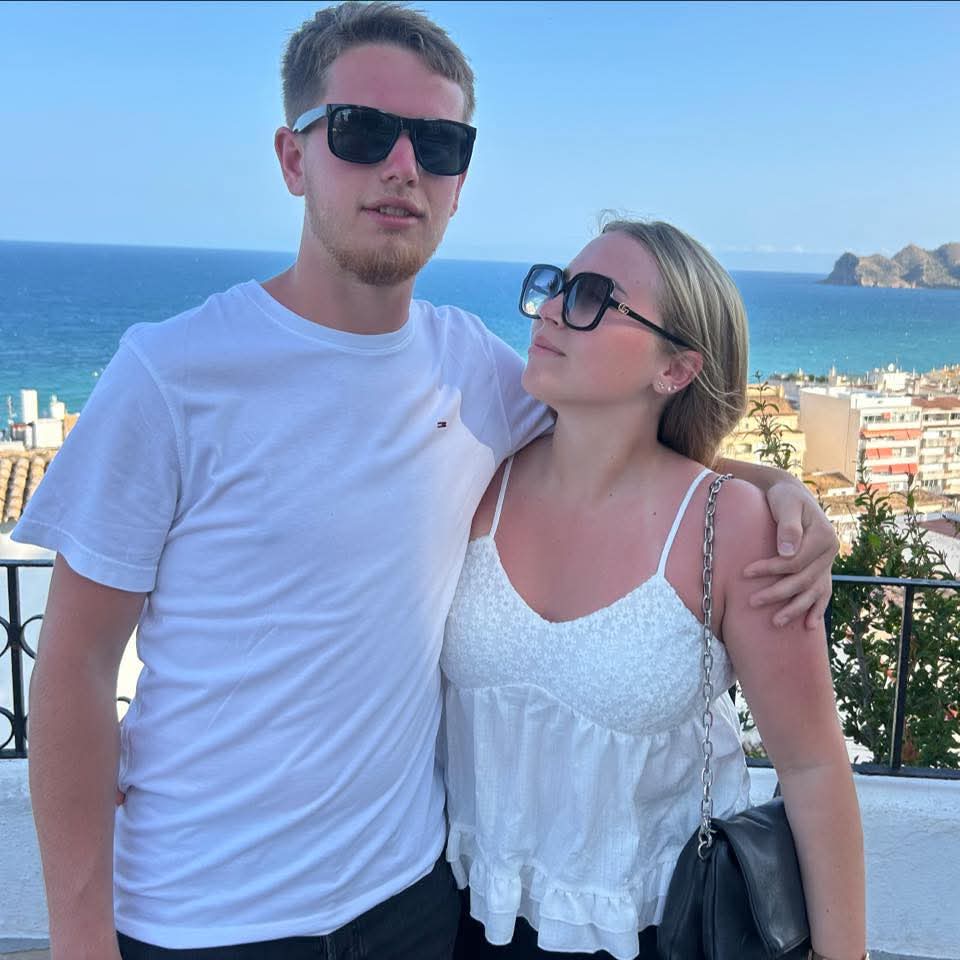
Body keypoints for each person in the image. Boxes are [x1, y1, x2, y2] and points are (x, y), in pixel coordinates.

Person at [15, 4, 837, 959]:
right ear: (293, 157)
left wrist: (779, 492)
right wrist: (81, 938)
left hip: (411, 903)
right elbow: (74, 669)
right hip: (197, 919)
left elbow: (624, 439)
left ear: (457, 184)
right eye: (362, 131)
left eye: (438, 144)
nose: (403, 166)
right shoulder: (171, 375)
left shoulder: (474, 372)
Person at [442, 219, 866, 960]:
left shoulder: (733, 527)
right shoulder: (480, 476)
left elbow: (812, 769)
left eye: (592, 296)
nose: (550, 309)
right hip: (464, 916)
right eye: (556, 285)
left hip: (659, 933)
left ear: (674, 369)